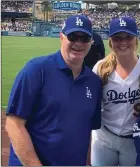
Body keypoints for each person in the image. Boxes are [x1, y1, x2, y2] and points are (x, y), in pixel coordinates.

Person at [5, 15, 102, 166]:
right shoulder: (36, 69)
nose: (78, 43)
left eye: (84, 38)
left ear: (91, 42)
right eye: (73, 36)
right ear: (62, 37)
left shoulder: (94, 82)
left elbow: (87, 131)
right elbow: (13, 124)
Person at [91, 16, 140, 166]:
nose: (123, 42)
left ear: (136, 39)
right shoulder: (100, 68)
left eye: (128, 37)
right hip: (104, 138)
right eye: (117, 38)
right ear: (110, 41)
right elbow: (90, 105)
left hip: (134, 141)